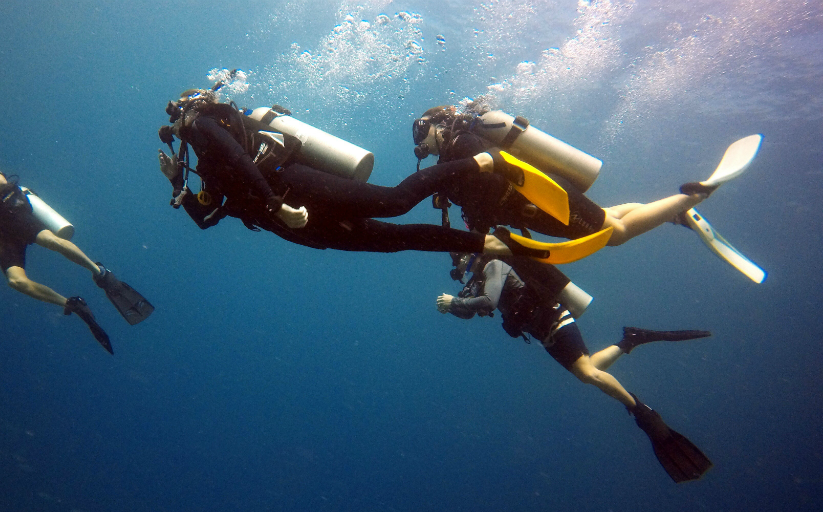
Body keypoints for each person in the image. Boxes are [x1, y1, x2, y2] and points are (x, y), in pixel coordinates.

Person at [154, 88, 597, 261]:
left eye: (175, 117)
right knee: (396, 240)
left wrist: (274, 204)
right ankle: (491, 244)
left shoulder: (203, 124)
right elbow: (207, 218)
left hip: (294, 187)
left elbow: (239, 156)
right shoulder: (202, 165)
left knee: (394, 202)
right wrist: (178, 182)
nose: (175, 128)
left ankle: (485, 162)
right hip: (302, 226)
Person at [436, 254, 714, 482]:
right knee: (588, 371)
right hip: (546, 334)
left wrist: (454, 302)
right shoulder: (484, 279)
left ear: (473, 257)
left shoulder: (495, 266)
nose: (460, 267)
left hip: (555, 320)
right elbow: (471, 310)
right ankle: (630, 340)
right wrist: (454, 306)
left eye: (461, 261)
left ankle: (642, 411)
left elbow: (487, 302)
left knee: (587, 373)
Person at [0, 145, 153, 353]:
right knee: (16, 281)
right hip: (4, 237)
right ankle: (73, 304)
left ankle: (101, 273)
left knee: (52, 241)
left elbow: (0, 182)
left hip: (14, 216)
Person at [412, 104, 718, 245]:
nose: (419, 140)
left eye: (421, 129)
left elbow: (491, 178)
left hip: (541, 197)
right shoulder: (456, 152)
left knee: (615, 235)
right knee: (608, 217)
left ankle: (691, 196)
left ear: (440, 123)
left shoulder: (462, 142)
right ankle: (675, 214)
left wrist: (472, 219)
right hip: (536, 203)